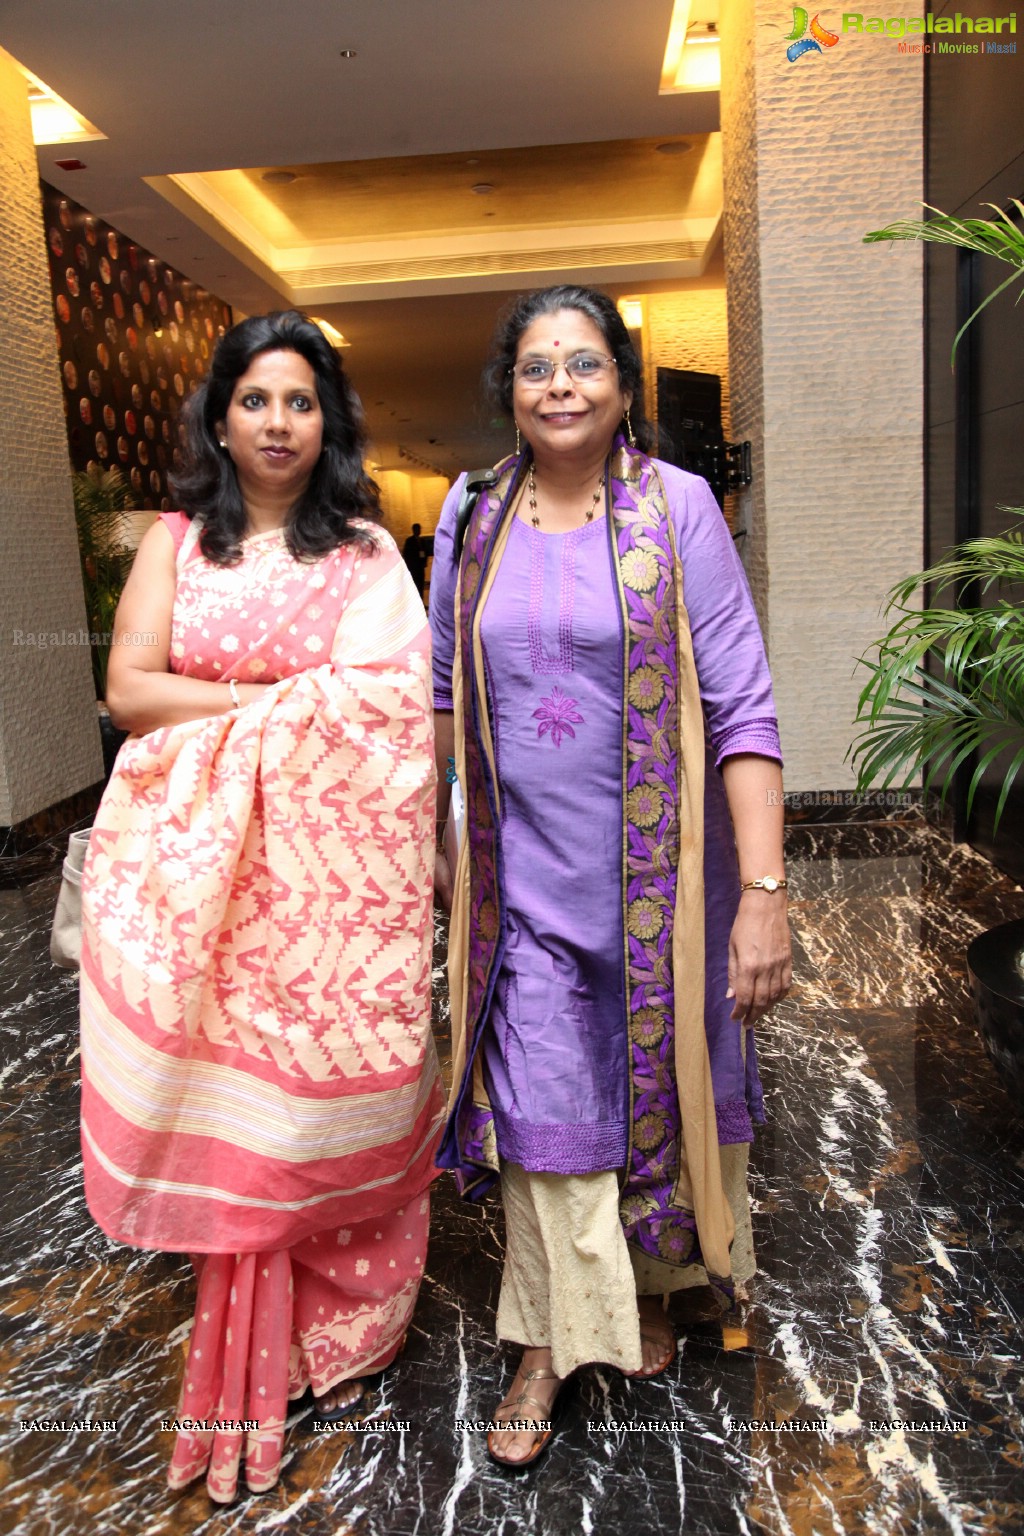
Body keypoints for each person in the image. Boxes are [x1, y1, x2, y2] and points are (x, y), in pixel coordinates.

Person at [80, 311, 444, 1501]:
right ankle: (251, 1308)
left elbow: (391, 711)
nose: (278, 423)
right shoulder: (175, 543)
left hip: (329, 883)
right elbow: (127, 690)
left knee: (330, 1094)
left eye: (300, 402)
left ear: (327, 420)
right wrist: (295, 699)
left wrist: (243, 708)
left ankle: (346, 1331)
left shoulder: (365, 556)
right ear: (221, 418)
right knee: (230, 1096)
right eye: (256, 401)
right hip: (203, 875)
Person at [429, 284, 791, 1467]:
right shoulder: (470, 514)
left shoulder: (675, 507)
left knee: (649, 1084)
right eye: (536, 368)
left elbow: (742, 708)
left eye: (584, 364)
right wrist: (438, 847)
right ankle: (544, 1345)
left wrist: (767, 895)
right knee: (543, 1113)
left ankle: (642, 1287)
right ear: (511, 391)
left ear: (623, 386)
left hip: (662, 887)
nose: (561, 386)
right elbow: (441, 696)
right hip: (516, 884)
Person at [402, 521, 428, 598]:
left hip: (420, 567)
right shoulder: (409, 541)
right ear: (413, 530)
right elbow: (406, 554)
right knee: (415, 584)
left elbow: (425, 552)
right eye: (417, 529)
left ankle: (421, 600)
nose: (418, 531)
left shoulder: (422, 540)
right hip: (413, 567)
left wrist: (424, 562)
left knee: (421, 584)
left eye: (419, 529)